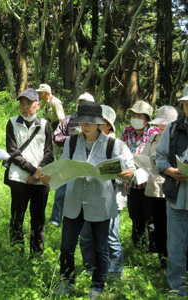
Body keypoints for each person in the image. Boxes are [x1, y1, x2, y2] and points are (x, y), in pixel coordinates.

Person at [44, 102, 135, 299]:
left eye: (90, 123)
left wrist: (127, 174)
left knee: (101, 247)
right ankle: (67, 282)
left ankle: (98, 286)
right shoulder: (72, 142)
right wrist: (50, 175)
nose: (85, 126)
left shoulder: (114, 145)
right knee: (67, 246)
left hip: (100, 200)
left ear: (100, 123)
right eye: (81, 122)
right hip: (74, 199)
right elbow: (63, 167)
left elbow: (130, 169)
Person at [79, 105, 127, 281]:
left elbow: (129, 173)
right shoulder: (83, 143)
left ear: (109, 126)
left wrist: (112, 174)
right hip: (88, 198)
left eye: (101, 123)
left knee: (110, 236)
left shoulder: (117, 146)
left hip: (111, 199)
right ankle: (90, 268)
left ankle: (114, 272)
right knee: (85, 236)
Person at [5, 88, 54, 256]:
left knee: (38, 218)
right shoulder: (12, 123)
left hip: (40, 180)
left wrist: (38, 173)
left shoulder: (45, 125)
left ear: (38, 105)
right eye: (22, 103)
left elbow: (49, 153)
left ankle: (36, 253)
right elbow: (13, 153)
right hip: (18, 178)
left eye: (30, 104)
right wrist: (33, 171)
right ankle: (17, 251)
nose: (25, 107)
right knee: (17, 217)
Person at [156, 85, 188, 297]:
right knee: (176, 248)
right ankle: (177, 290)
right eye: (187, 104)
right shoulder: (173, 129)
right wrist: (169, 169)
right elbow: (159, 157)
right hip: (177, 197)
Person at [49, 92, 94, 227]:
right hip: (67, 161)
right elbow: (56, 137)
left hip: (87, 162)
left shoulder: (96, 122)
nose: (82, 106)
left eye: (86, 104)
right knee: (61, 192)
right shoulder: (68, 120)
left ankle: (84, 222)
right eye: (80, 103)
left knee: (86, 194)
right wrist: (70, 140)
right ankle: (56, 219)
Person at [141, 105, 178, 271]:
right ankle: (164, 265)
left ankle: (177, 265)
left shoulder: (178, 138)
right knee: (159, 226)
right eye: (159, 123)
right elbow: (144, 157)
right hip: (154, 188)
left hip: (172, 189)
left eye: (166, 123)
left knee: (174, 229)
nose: (161, 126)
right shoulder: (154, 138)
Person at [120, 100, 159, 252]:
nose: (136, 118)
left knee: (151, 217)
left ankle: (153, 249)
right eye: (134, 115)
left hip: (148, 182)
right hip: (131, 183)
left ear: (147, 119)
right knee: (135, 216)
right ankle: (138, 248)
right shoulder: (126, 132)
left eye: (140, 116)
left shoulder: (153, 134)